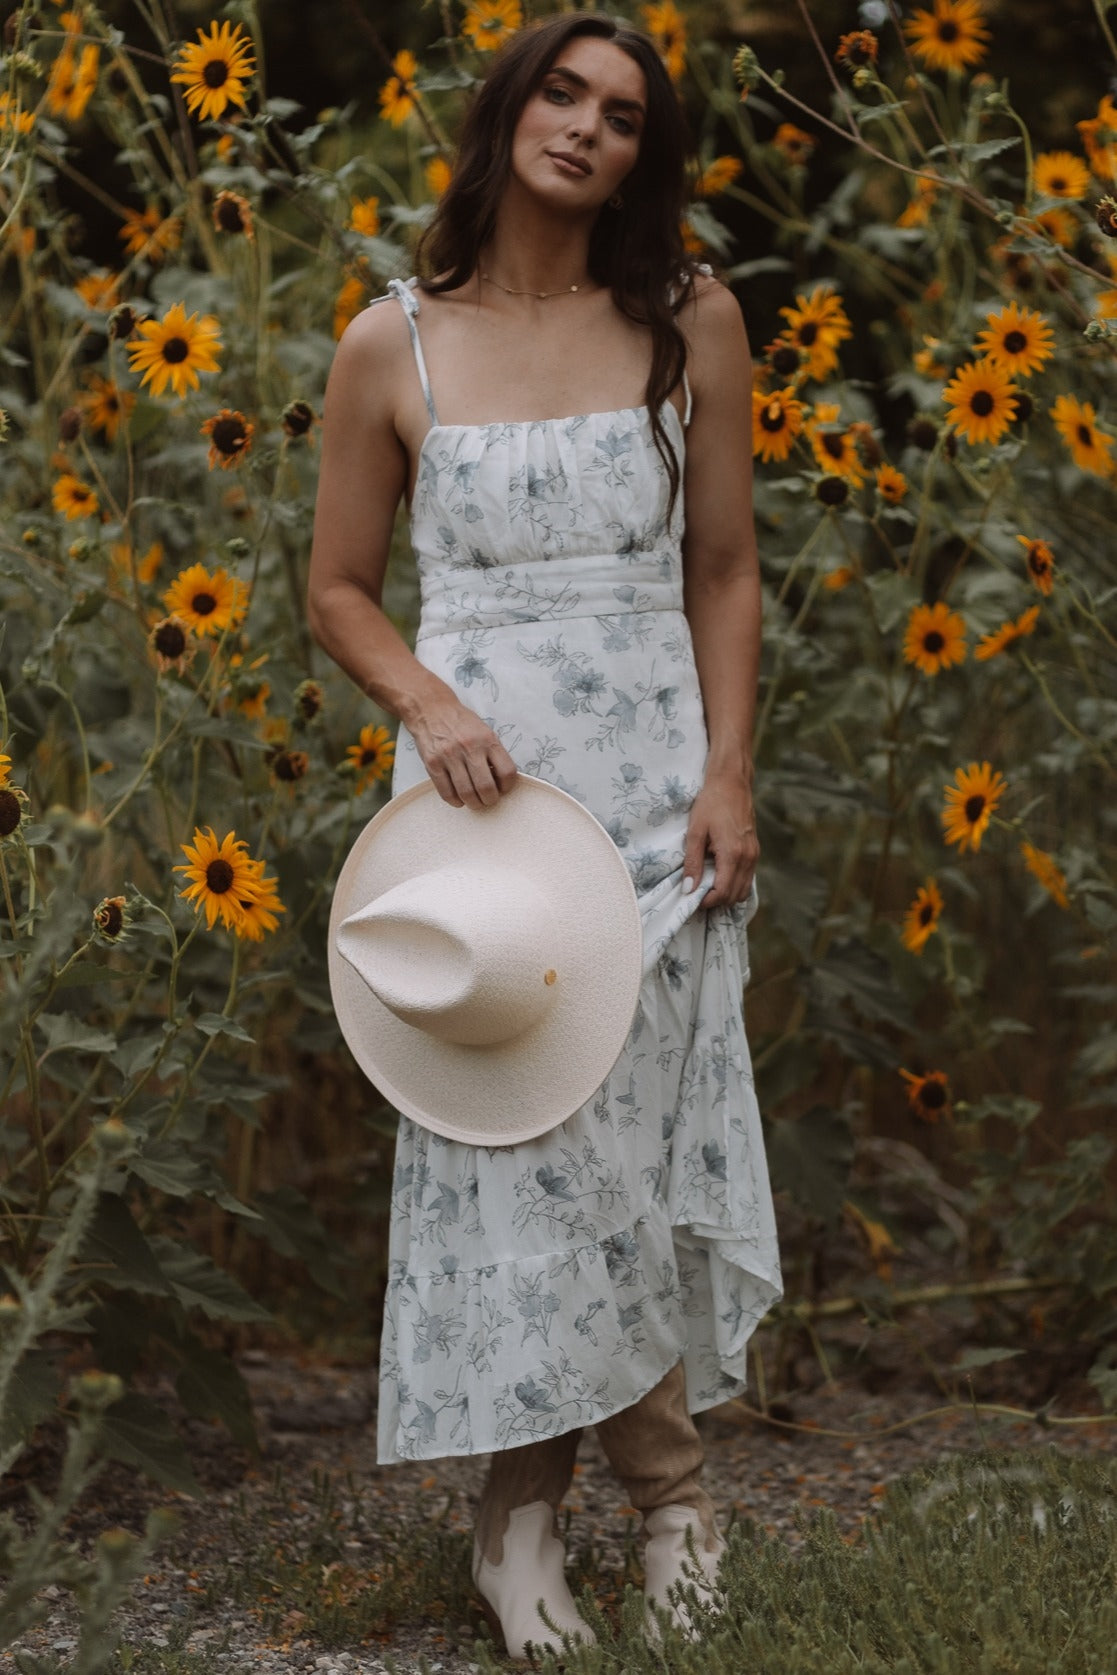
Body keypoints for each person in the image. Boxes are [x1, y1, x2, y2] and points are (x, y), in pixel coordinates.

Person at [307, 10, 783, 1657]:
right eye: (562, 93)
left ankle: (551, 1518)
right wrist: (429, 707)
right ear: (508, 110)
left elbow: (722, 568)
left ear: (643, 154)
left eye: (625, 116)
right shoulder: (392, 343)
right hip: (483, 810)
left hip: (653, 794)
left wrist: (726, 775)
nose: (586, 128)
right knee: (516, 1128)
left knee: (628, 1146)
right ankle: (640, 1497)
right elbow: (336, 590)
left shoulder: (687, 320)